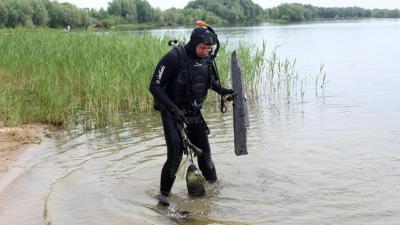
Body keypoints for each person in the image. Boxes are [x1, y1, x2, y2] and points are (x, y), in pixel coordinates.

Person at [149, 22, 235, 206]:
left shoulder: (206, 58)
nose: (206, 51)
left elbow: (211, 82)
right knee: (175, 156)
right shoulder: (173, 58)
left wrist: (225, 91)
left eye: (209, 48)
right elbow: (154, 86)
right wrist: (173, 109)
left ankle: (214, 191)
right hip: (172, 112)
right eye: (203, 48)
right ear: (194, 42)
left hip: (193, 112)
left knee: (205, 155)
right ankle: (163, 196)